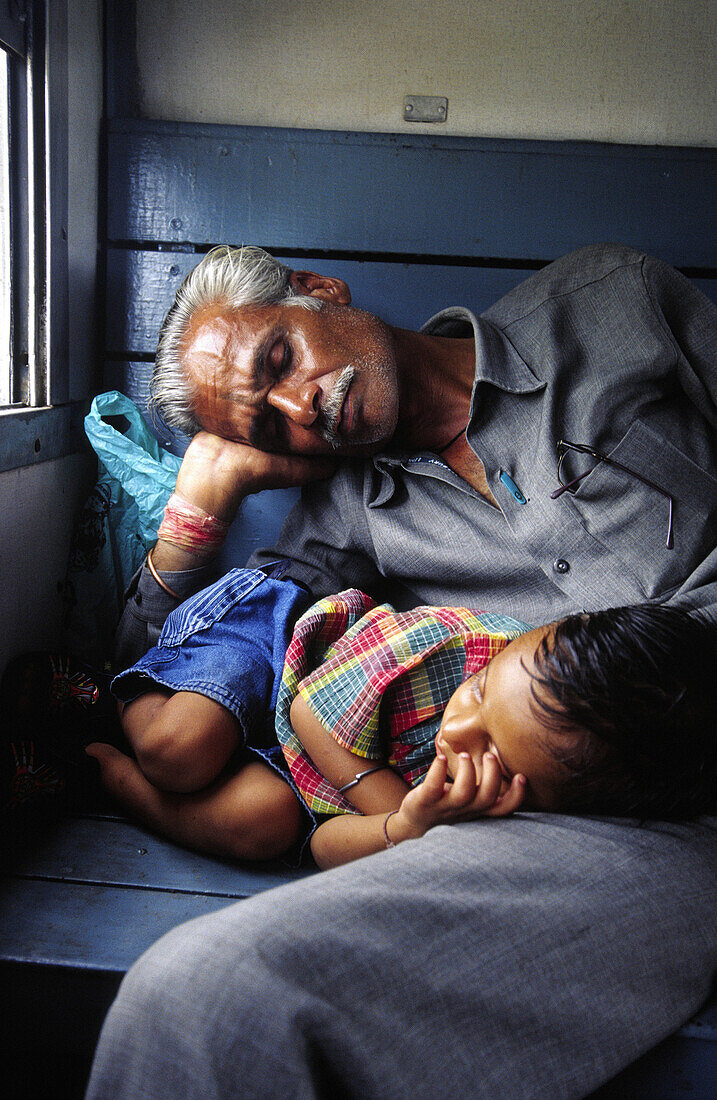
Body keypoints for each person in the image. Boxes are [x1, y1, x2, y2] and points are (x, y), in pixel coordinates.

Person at [86, 242, 717, 1098]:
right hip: (604, 830)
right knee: (202, 994)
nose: (298, 406)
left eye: (279, 357)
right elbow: (163, 664)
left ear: (317, 291)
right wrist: (200, 509)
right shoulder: (344, 518)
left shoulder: (610, 304)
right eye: (266, 424)